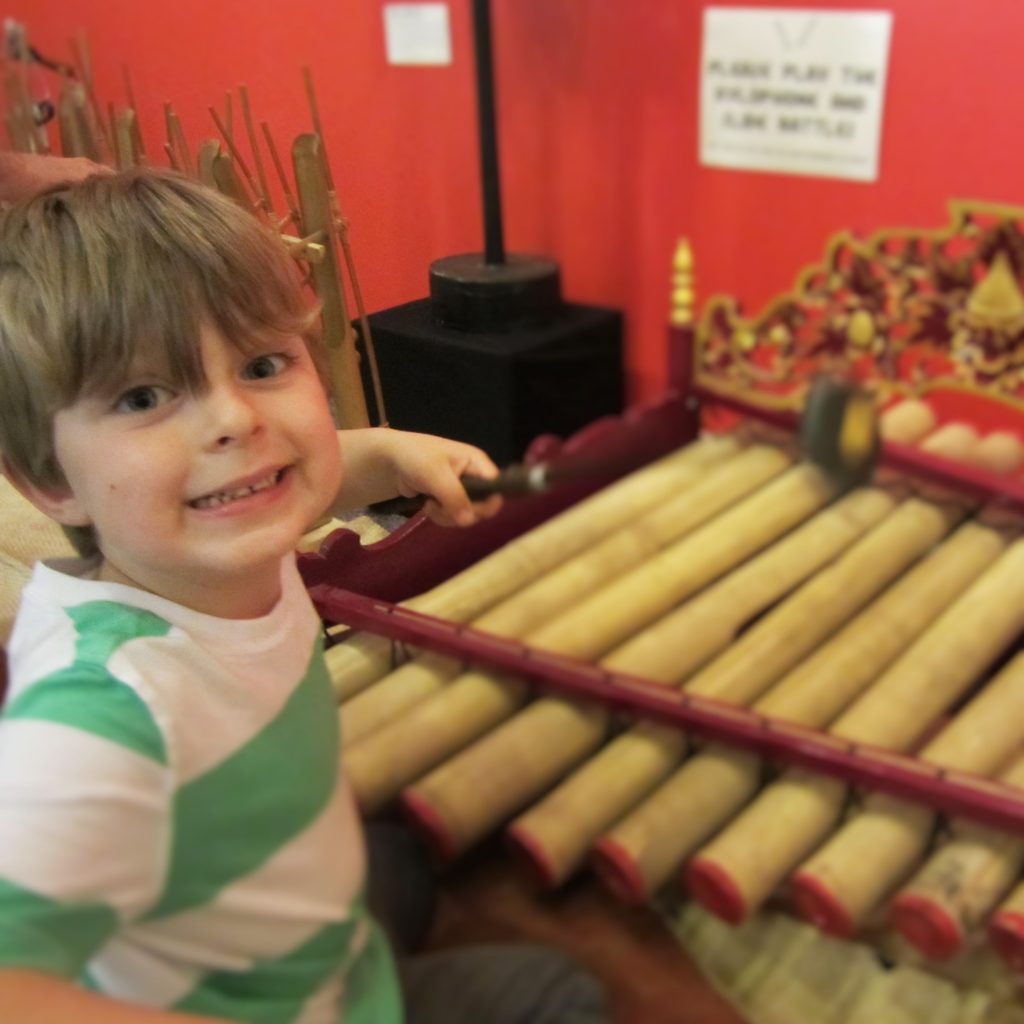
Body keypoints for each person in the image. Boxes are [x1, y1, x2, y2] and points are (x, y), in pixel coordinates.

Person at [0, 169, 606, 1023]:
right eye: (144, 396)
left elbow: (298, 474)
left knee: (391, 855)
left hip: (283, 913)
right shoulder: (103, 712)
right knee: (558, 995)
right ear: (47, 483)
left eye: (262, 364)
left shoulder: (210, 535)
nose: (235, 423)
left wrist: (389, 455)